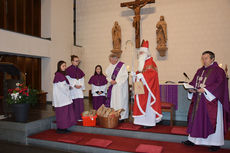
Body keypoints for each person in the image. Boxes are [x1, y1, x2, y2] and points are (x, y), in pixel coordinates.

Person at [182, 51, 230, 152]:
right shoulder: (200, 71)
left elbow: (220, 84)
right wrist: (191, 88)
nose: (204, 60)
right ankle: (193, 140)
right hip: (199, 101)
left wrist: (206, 90)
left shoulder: (219, 71)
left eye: (206, 58)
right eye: (202, 58)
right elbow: (194, 82)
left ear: (212, 59)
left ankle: (215, 143)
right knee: (197, 120)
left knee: (213, 120)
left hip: (212, 102)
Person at [132, 40, 162, 128]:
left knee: (148, 106)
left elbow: (153, 75)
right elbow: (139, 74)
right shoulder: (142, 63)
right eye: (140, 53)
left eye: (142, 52)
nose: (140, 54)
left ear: (146, 53)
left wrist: (143, 76)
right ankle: (141, 121)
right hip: (142, 89)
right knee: (141, 104)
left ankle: (149, 123)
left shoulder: (151, 63)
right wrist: (134, 76)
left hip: (149, 90)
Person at [53, 60, 76, 134]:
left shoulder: (61, 75)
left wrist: (69, 86)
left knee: (65, 114)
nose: (65, 67)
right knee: (62, 114)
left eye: (65, 66)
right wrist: (69, 87)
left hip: (64, 98)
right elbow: (62, 87)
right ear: (59, 67)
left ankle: (64, 127)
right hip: (61, 99)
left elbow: (65, 85)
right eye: (63, 66)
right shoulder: (58, 75)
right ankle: (61, 128)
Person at [105, 54, 129, 121]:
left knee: (120, 101)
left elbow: (125, 76)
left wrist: (117, 81)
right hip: (113, 87)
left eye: (112, 60)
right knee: (113, 101)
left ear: (116, 59)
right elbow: (107, 75)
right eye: (110, 60)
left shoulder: (122, 66)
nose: (111, 61)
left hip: (120, 87)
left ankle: (122, 116)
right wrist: (110, 80)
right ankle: (114, 115)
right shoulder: (110, 66)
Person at [66, 55, 85, 122]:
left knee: (80, 103)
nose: (77, 62)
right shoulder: (68, 70)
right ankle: (74, 117)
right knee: (74, 104)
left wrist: (81, 85)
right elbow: (68, 80)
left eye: (78, 61)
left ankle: (80, 117)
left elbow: (82, 79)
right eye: (76, 61)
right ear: (72, 61)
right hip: (73, 90)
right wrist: (74, 85)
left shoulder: (80, 70)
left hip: (79, 90)